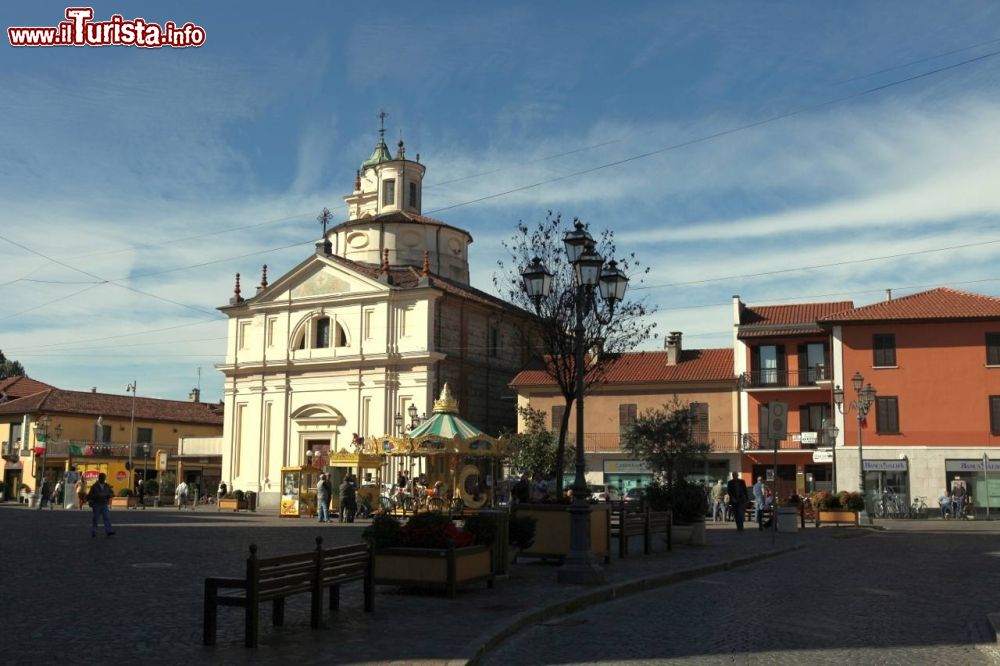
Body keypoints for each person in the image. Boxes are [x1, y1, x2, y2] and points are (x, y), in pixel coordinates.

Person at [85, 472, 115, 537]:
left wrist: (109, 495)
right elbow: (90, 495)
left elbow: (112, 493)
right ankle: (94, 531)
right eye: (102, 478)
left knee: (107, 518)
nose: (103, 479)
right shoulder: (94, 486)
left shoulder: (107, 486)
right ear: (99, 478)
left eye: (104, 478)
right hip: (97, 504)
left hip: (104, 504)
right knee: (95, 518)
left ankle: (109, 531)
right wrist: (94, 497)